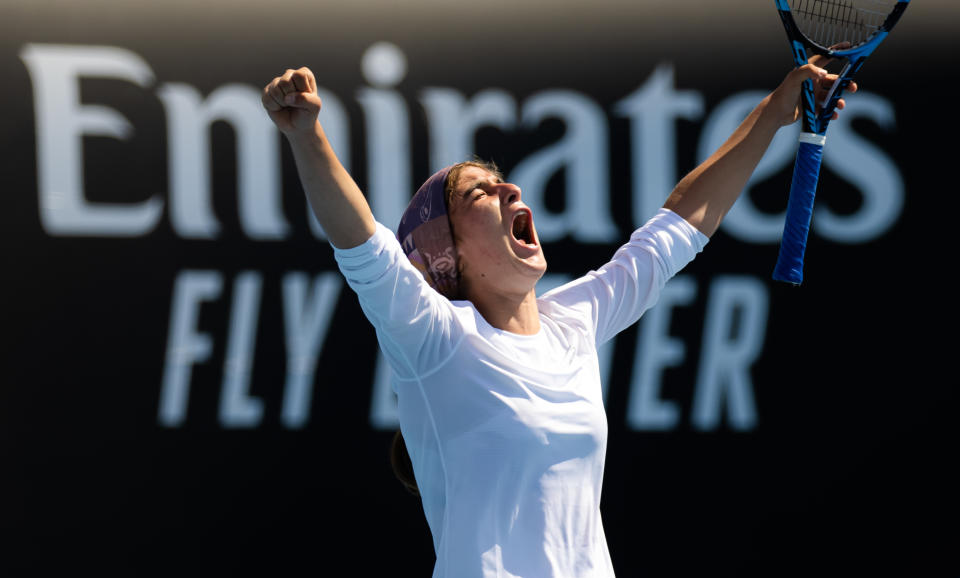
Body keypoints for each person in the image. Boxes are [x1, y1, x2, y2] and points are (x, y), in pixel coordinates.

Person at [261, 58, 854, 578]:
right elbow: (362, 248)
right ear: (451, 256)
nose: (511, 190)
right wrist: (306, 135)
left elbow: (679, 227)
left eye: (503, 183)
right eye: (479, 194)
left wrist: (776, 112)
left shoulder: (572, 324)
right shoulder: (435, 336)